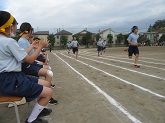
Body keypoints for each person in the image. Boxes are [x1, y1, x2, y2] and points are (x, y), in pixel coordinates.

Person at [0, 11, 53, 123]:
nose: (16, 27)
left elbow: (21, 54)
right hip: (12, 80)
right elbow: (29, 59)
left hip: (10, 78)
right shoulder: (9, 41)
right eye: (15, 25)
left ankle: (40, 108)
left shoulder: (4, 41)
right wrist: (40, 47)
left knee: (46, 84)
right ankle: (31, 120)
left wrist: (33, 46)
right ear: (9, 26)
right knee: (49, 92)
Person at [18, 22, 57, 105]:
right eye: (31, 30)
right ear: (29, 31)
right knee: (49, 72)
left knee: (48, 71)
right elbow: (26, 57)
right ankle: (46, 95)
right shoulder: (22, 42)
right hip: (26, 66)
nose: (32, 32)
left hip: (30, 64)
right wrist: (40, 47)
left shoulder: (24, 41)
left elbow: (31, 53)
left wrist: (40, 46)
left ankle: (45, 93)